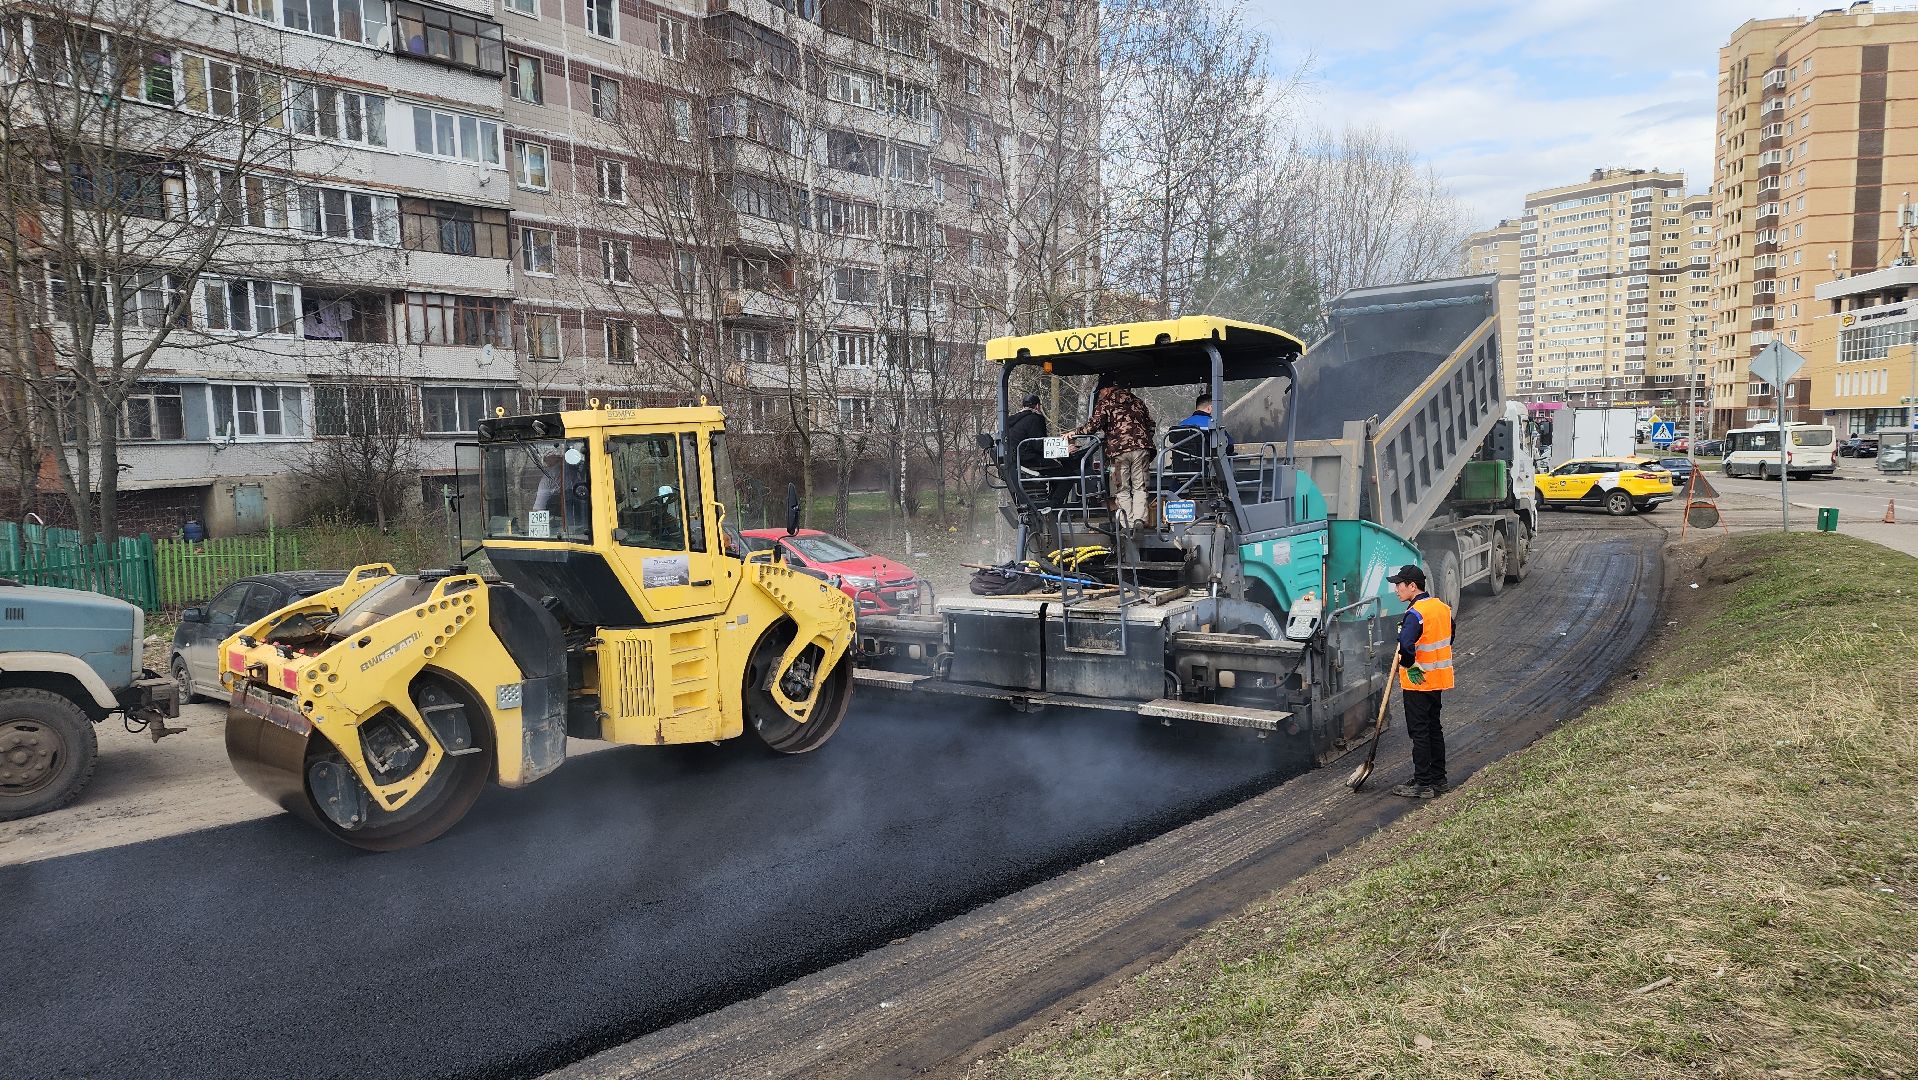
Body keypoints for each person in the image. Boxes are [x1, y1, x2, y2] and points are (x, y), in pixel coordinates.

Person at [1387, 564, 1452, 799]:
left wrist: (1409, 664)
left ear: (1412, 586)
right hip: (1438, 679)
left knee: (1419, 731)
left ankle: (1423, 784)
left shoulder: (1414, 614)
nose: (1396, 589)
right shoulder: (1441, 608)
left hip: (1417, 683)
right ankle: (1439, 779)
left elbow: (1405, 644)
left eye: (1399, 585)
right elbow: (1449, 635)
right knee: (1434, 728)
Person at [1073, 382, 1155, 528]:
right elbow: (1151, 425)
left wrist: (1074, 433)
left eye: (1101, 392)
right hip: (1141, 450)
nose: (1100, 395)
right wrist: (1145, 439)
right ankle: (1139, 521)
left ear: (1106, 389)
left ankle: (1127, 525)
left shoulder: (1106, 402)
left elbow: (1092, 426)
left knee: (1122, 488)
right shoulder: (1137, 401)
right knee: (1140, 487)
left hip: (1118, 451)